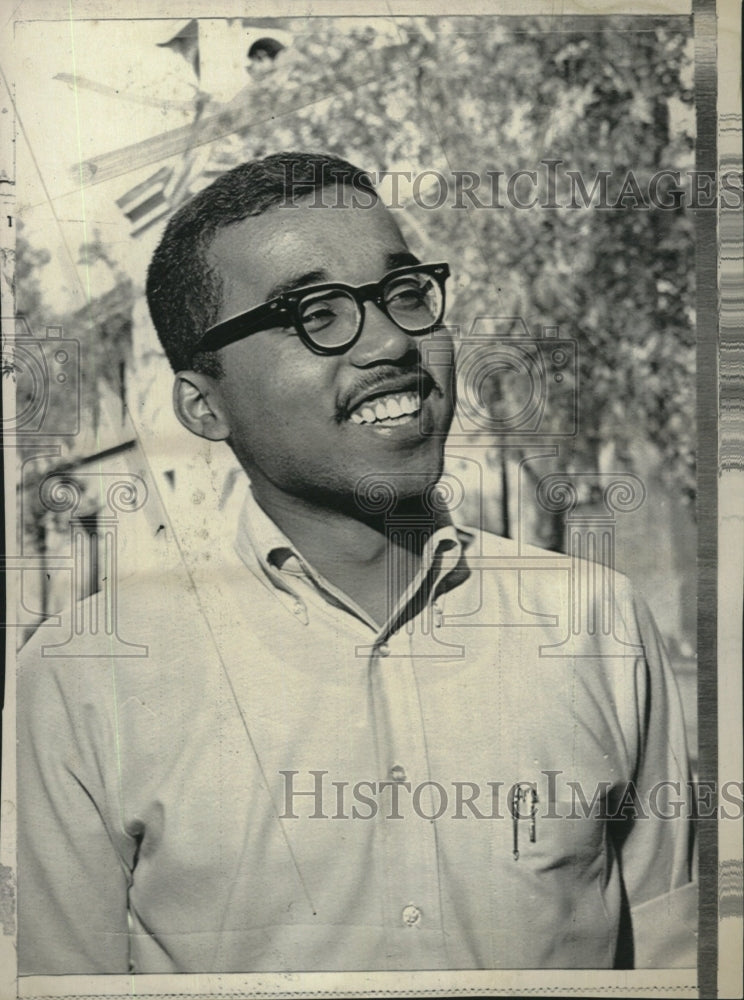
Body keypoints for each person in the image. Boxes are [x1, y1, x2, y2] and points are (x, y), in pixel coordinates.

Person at [17, 151, 696, 975]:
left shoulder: (598, 624)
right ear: (204, 402)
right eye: (314, 312)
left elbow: (669, 960)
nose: (390, 341)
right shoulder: (83, 679)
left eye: (405, 293)